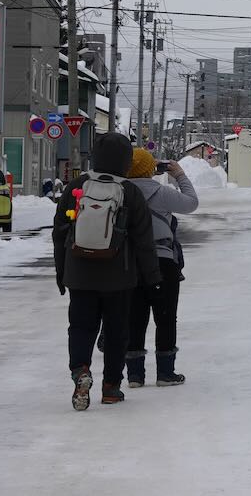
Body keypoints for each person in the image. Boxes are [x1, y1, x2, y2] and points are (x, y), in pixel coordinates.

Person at [53, 133, 161, 410]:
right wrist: (152, 278)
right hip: (119, 276)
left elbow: (59, 232)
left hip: (79, 273)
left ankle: (81, 371)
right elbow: (143, 241)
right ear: (126, 160)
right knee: (116, 332)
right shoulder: (130, 192)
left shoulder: (77, 187)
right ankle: (112, 387)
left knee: (80, 327)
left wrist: (62, 272)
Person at [123, 149, 198, 387]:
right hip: (163, 260)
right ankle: (165, 372)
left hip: (130, 261)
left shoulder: (119, 192)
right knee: (165, 316)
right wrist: (180, 175)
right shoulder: (161, 192)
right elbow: (191, 202)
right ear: (150, 169)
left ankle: (134, 375)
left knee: (134, 316)